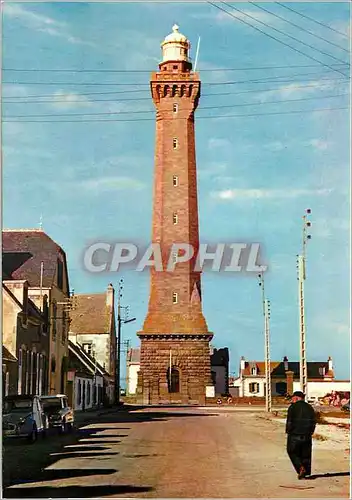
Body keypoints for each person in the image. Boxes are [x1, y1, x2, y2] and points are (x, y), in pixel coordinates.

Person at [286, 391, 317, 480]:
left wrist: (288, 431)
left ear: (296, 398)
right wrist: (311, 432)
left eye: (293, 398)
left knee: (292, 451)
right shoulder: (309, 407)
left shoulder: (292, 407)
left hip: (294, 434)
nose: (292, 399)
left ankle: (300, 467)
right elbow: (313, 421)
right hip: (307, 434)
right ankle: (306, 472)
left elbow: (290, 421)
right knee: (306, 454)